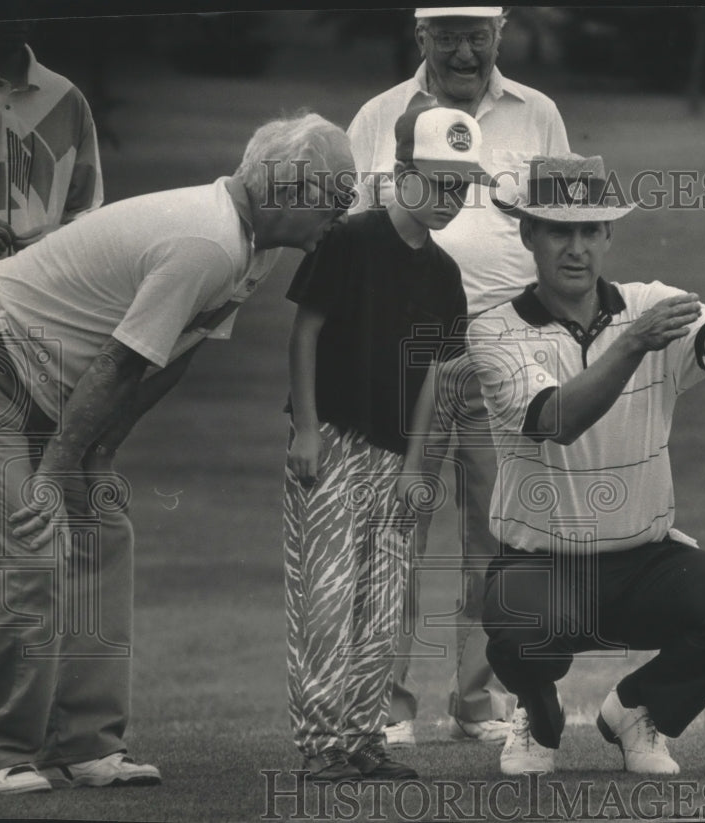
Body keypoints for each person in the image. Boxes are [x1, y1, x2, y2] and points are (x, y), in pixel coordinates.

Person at [0, 111, 355, 795]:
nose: (337, 218)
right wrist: (56, 470)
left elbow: (174, 355)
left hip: (51, 387)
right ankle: (2, 748)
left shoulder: (254, 247)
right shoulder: (208, 241)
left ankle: (84, 745)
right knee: (30, 541)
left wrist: (102, 450)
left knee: (104, 530)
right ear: (289, 189)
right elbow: (123, 361)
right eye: (334, 200)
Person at [467, 153, 705, 775]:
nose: (576, 247)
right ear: (528, 234)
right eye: (559, 230)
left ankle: (638, 710)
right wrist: (633, 343)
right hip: (542, 563)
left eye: (591, 230)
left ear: (609, 236)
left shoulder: (651, 303)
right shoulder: (495, 332)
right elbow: (560, 419)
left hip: (645, 561)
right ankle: (538, 716)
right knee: (519, 630)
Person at [347, 5, 570, 748]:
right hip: (405, 356)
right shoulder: (381, 116)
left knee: (496, 535)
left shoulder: (538, 114)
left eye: (477, 34)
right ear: (421, 38)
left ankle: (478, 699)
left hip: (504, 355)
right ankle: (386, 702)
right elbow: (353, 236)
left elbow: (561, 225)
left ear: (499, 36)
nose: (463, 50)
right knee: (394, 529)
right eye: (447, 35)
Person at [282, 105, 484, 782]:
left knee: (384, 596)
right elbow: (306, 331)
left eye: (463, 185)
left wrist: (417, 462)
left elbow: (435, 375)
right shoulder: (349, 240)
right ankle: (320, 743)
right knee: (330, 594)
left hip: (399, 454)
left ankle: (363, 736)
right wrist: (307, 428)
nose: (452, 198)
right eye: (440, 181)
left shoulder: (447, 274)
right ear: (402, 173)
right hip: (336, 437)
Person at [0, 21, 103, 260]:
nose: (13, 16)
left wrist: (61, 236)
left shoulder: (66, 98)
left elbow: (88, 208)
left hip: (37, 284)